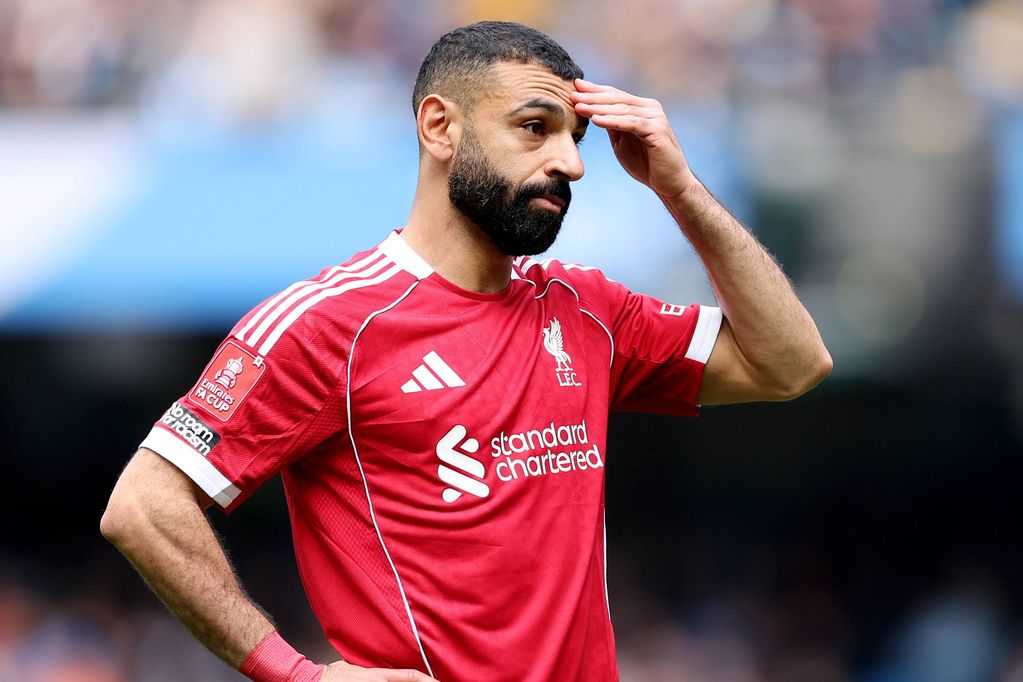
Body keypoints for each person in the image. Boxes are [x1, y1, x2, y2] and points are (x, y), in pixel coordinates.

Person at [100, 20, 832, 682]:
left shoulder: (585, 309)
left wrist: (677, 188)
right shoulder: (329, 325)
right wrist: (297, 676)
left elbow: (790, 363)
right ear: (439, 126)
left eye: (574, 136)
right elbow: (143, 505)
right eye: (534, 127)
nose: (570, 163)